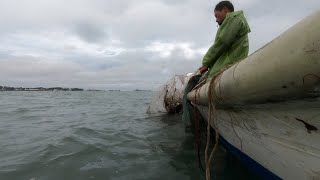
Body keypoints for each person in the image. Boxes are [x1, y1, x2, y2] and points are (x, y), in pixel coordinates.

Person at [199, 1, 251, 78]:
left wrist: (206, 62)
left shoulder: (235, 19)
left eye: (217, 16)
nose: (216, 20)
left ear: (225, 10)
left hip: (229, 64)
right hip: (233, 63)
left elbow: (222, 42)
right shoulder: (235, 21)